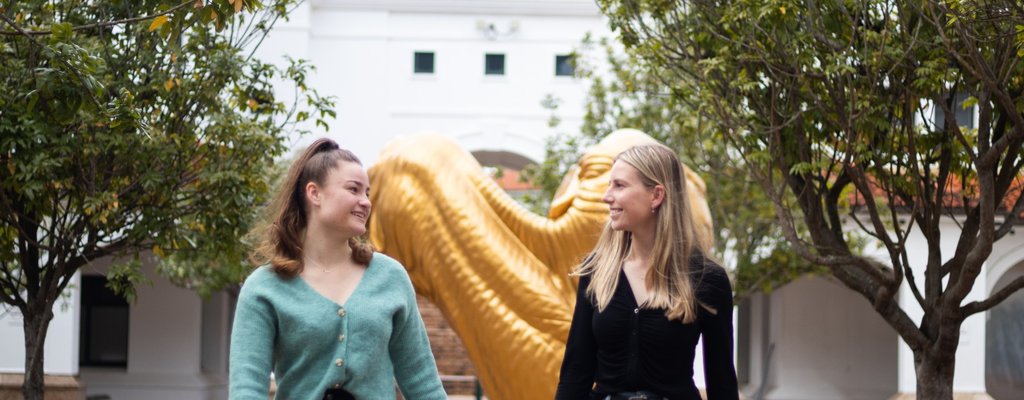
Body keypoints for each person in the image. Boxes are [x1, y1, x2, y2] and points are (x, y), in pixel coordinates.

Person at [229, 138, 446, 400]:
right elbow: (246, 390)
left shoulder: (391, 277)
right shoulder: (264, 287)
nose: (365, 201)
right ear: (314, 193)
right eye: (353, 189)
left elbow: (422, 381)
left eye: (367, 193)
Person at [555, 144, 739, 400]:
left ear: (656, 195)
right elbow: (575, 375)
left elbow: (723, 385)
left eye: (619, 185)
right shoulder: (596, 271)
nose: (606, 196)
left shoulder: (707, 279)